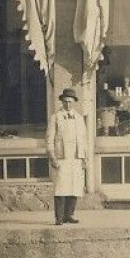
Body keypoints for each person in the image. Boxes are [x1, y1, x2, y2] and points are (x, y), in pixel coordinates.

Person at [46, 88, 88, 225]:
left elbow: (84, 138)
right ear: (62, 102)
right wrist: (52, 157)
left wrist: (84, 158)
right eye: (65, 102)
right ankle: (59, 218)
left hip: (76, 157)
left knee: (75, 186)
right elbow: (49, 138)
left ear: (74, 102)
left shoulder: (79, 118)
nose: (68, 105)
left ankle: (69, 215)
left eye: (70, 102)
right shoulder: (55, 117)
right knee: (61, 187)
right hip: (62, 157)